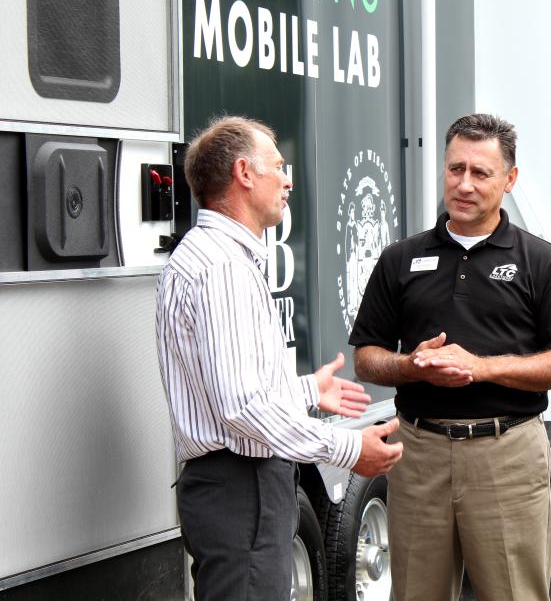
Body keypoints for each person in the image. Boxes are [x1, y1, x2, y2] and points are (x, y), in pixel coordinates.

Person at [155, 115, 403, 601]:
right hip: (240, 489)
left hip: (233, 488)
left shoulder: (210, 256)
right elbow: (243, 408)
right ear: (245, 174)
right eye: (278, 166)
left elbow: (230, 394)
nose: (288, 180)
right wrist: (350, 450)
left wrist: (308, 390)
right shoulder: (222, 268)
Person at [348, 113, 551, 601]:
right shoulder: (400, 259)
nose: (464, 184)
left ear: (509, 179)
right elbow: (367, 358)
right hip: (418, 453)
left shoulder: (542, 262)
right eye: (455, 168)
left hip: (507, 454)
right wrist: (408, 365)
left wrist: (480, 367)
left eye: (481, 173)